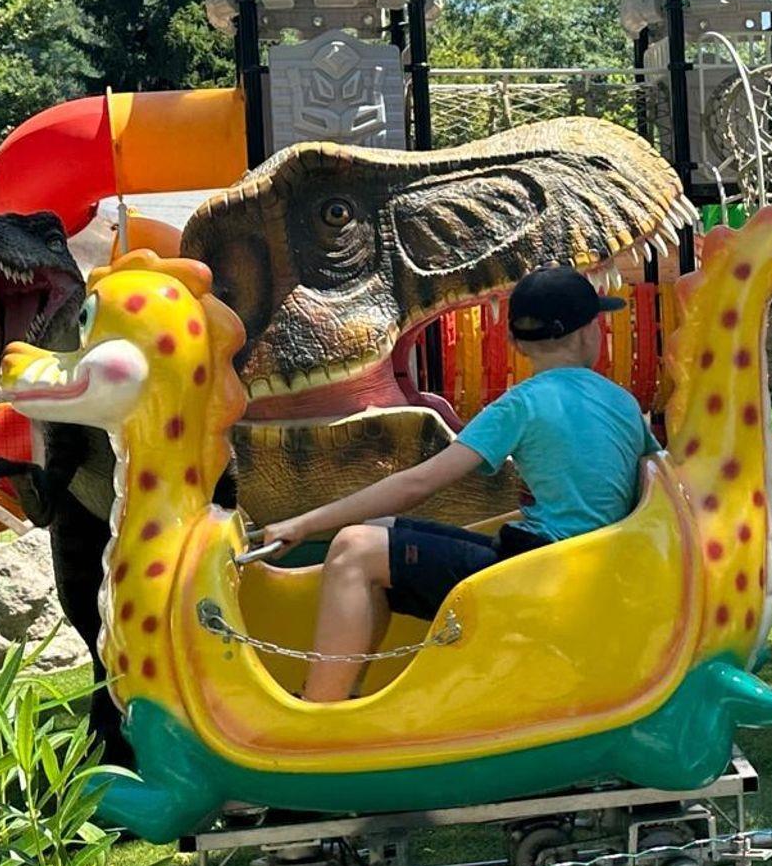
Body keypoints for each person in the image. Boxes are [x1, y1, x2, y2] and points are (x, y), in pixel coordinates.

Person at [262, 265, 660, 703]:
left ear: (515, 343)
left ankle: (318, 712)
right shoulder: (624, 403)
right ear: (589, 333)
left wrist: (304, 524)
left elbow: (419, 483)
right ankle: (345, 696)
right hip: (584, 570)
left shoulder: (521, 405)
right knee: (380, 530)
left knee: (354, 548)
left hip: (545, 575)